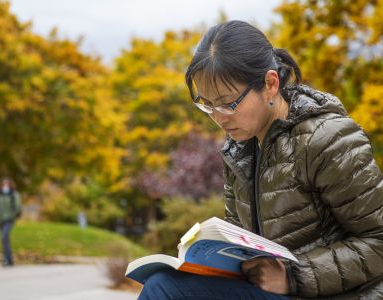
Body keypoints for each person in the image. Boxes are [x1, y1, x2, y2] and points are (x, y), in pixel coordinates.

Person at [138, 20, 383, 299]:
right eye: (207, 104)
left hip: (331, 294)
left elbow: (379, 241)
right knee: (163, 280)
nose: (218, 117)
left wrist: (293, 277)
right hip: (271, 292)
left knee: (163, 289)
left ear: (269, 83)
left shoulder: (327, 139)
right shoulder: (239, 148)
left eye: (227, 102)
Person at [0, 177, 22, 266]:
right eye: (3, 184)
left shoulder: (14, 195)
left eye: (7, 184)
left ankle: (5, 259)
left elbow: (17, 207)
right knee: (5, 240)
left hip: (9, 220)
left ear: (10, 185)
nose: (5, 186)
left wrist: (12, 216)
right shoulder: (0, 195)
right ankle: (9, 260)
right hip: (0, 220)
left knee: (4, 237)